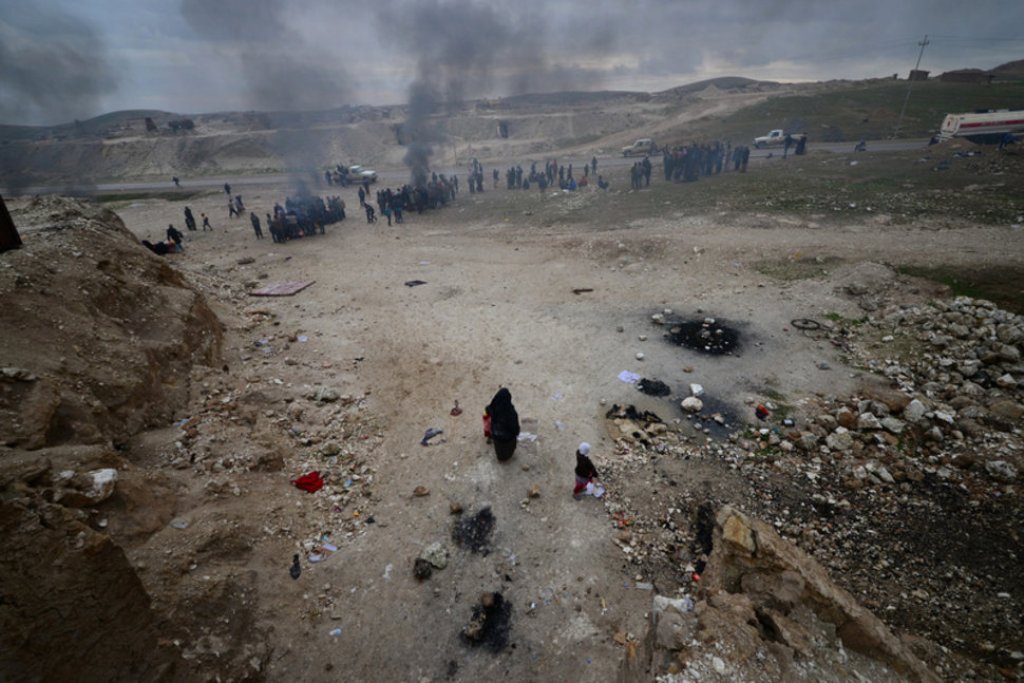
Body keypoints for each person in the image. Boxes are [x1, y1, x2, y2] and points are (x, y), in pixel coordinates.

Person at [485, 388, 520, 462]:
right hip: (508, 450)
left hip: (497, 443)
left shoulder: (492, 408)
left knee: (486, 415)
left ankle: (488, 434)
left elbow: (487, 410)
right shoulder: (512, 413)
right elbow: (516, 431)